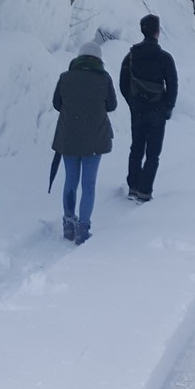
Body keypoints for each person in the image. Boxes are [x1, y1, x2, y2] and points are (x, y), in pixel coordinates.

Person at [51, 38, 117, 243]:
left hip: (68, 138)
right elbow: (112, 106)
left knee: (70, 180)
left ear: (79, 57)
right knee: (89, 184)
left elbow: (57, 103)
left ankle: (68, 223)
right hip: (95, 140)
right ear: (99, 60)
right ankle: (83, 228)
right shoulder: (104, 79)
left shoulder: (65, 77)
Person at [119, 14, 177, 202]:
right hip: (157, 111)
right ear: (157, 32)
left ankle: (133, 186)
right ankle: (145, 190)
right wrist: (167, 107)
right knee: (153, 152)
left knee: (136, 147)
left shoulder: (131, 56)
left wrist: (133, 102)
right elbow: (173, 85)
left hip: (138, 110)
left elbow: (123, 83)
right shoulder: (165, 58)